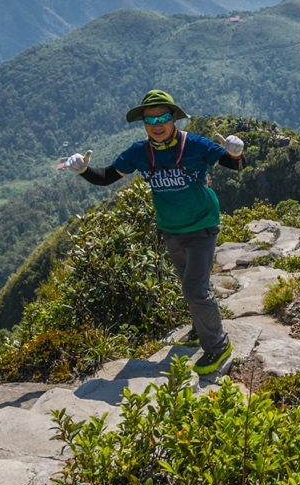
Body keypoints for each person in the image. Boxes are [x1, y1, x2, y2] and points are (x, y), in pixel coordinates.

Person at [58, 89, 245, 375]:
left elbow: (234, 164)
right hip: (171, 228)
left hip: (202, 225)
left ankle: (219, 346)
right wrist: (84, 170)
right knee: (189, 283)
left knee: (195, 288)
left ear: (175, 119)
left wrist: (237, 152)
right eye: (150, 119)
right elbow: (107, 177)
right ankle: (200, 325)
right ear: (143, 123)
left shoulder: (195, 145)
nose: (157, 124)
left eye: (164, 117)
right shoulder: (139, 153)